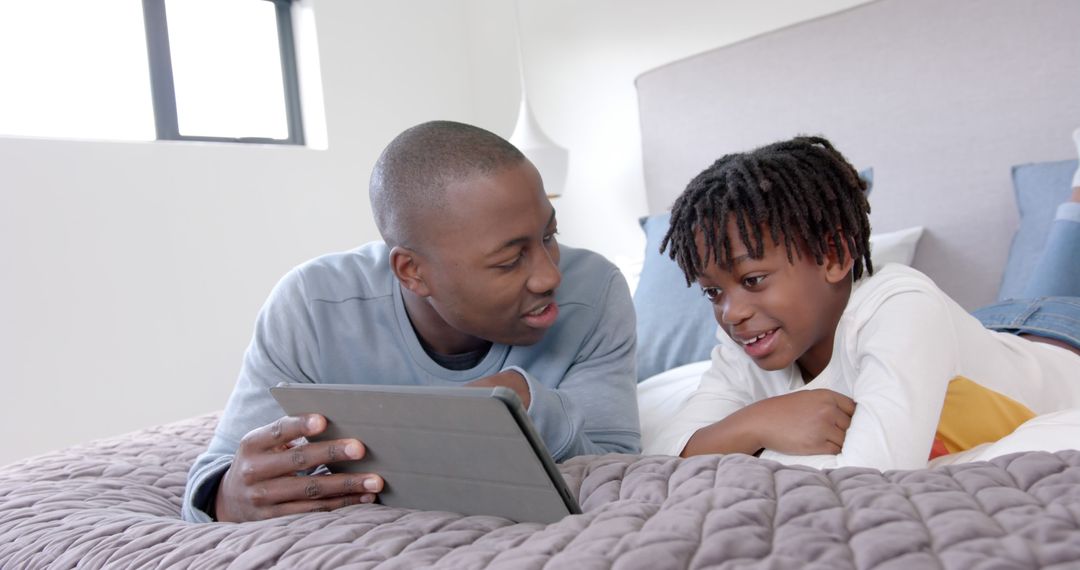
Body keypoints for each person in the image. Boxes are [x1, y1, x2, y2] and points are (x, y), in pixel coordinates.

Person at [182, 121, 640, 523]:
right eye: (509, 260)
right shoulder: (311, 306)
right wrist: (228, 498)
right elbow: (219, 474)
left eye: (549, 236)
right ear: (411, 272)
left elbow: (620, 465)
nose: (549, 275)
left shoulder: (595, 292)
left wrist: (525, 403)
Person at [649, 135, 1080, 471]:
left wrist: (732, 442)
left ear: (834, 256)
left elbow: (873, 472)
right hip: (977, 335)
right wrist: (757, 421)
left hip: (1059, 335)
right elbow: (664, 458)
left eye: (753, 279)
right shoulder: (745, 344)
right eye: (713, 292)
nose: (731, 313)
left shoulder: (902, 307)